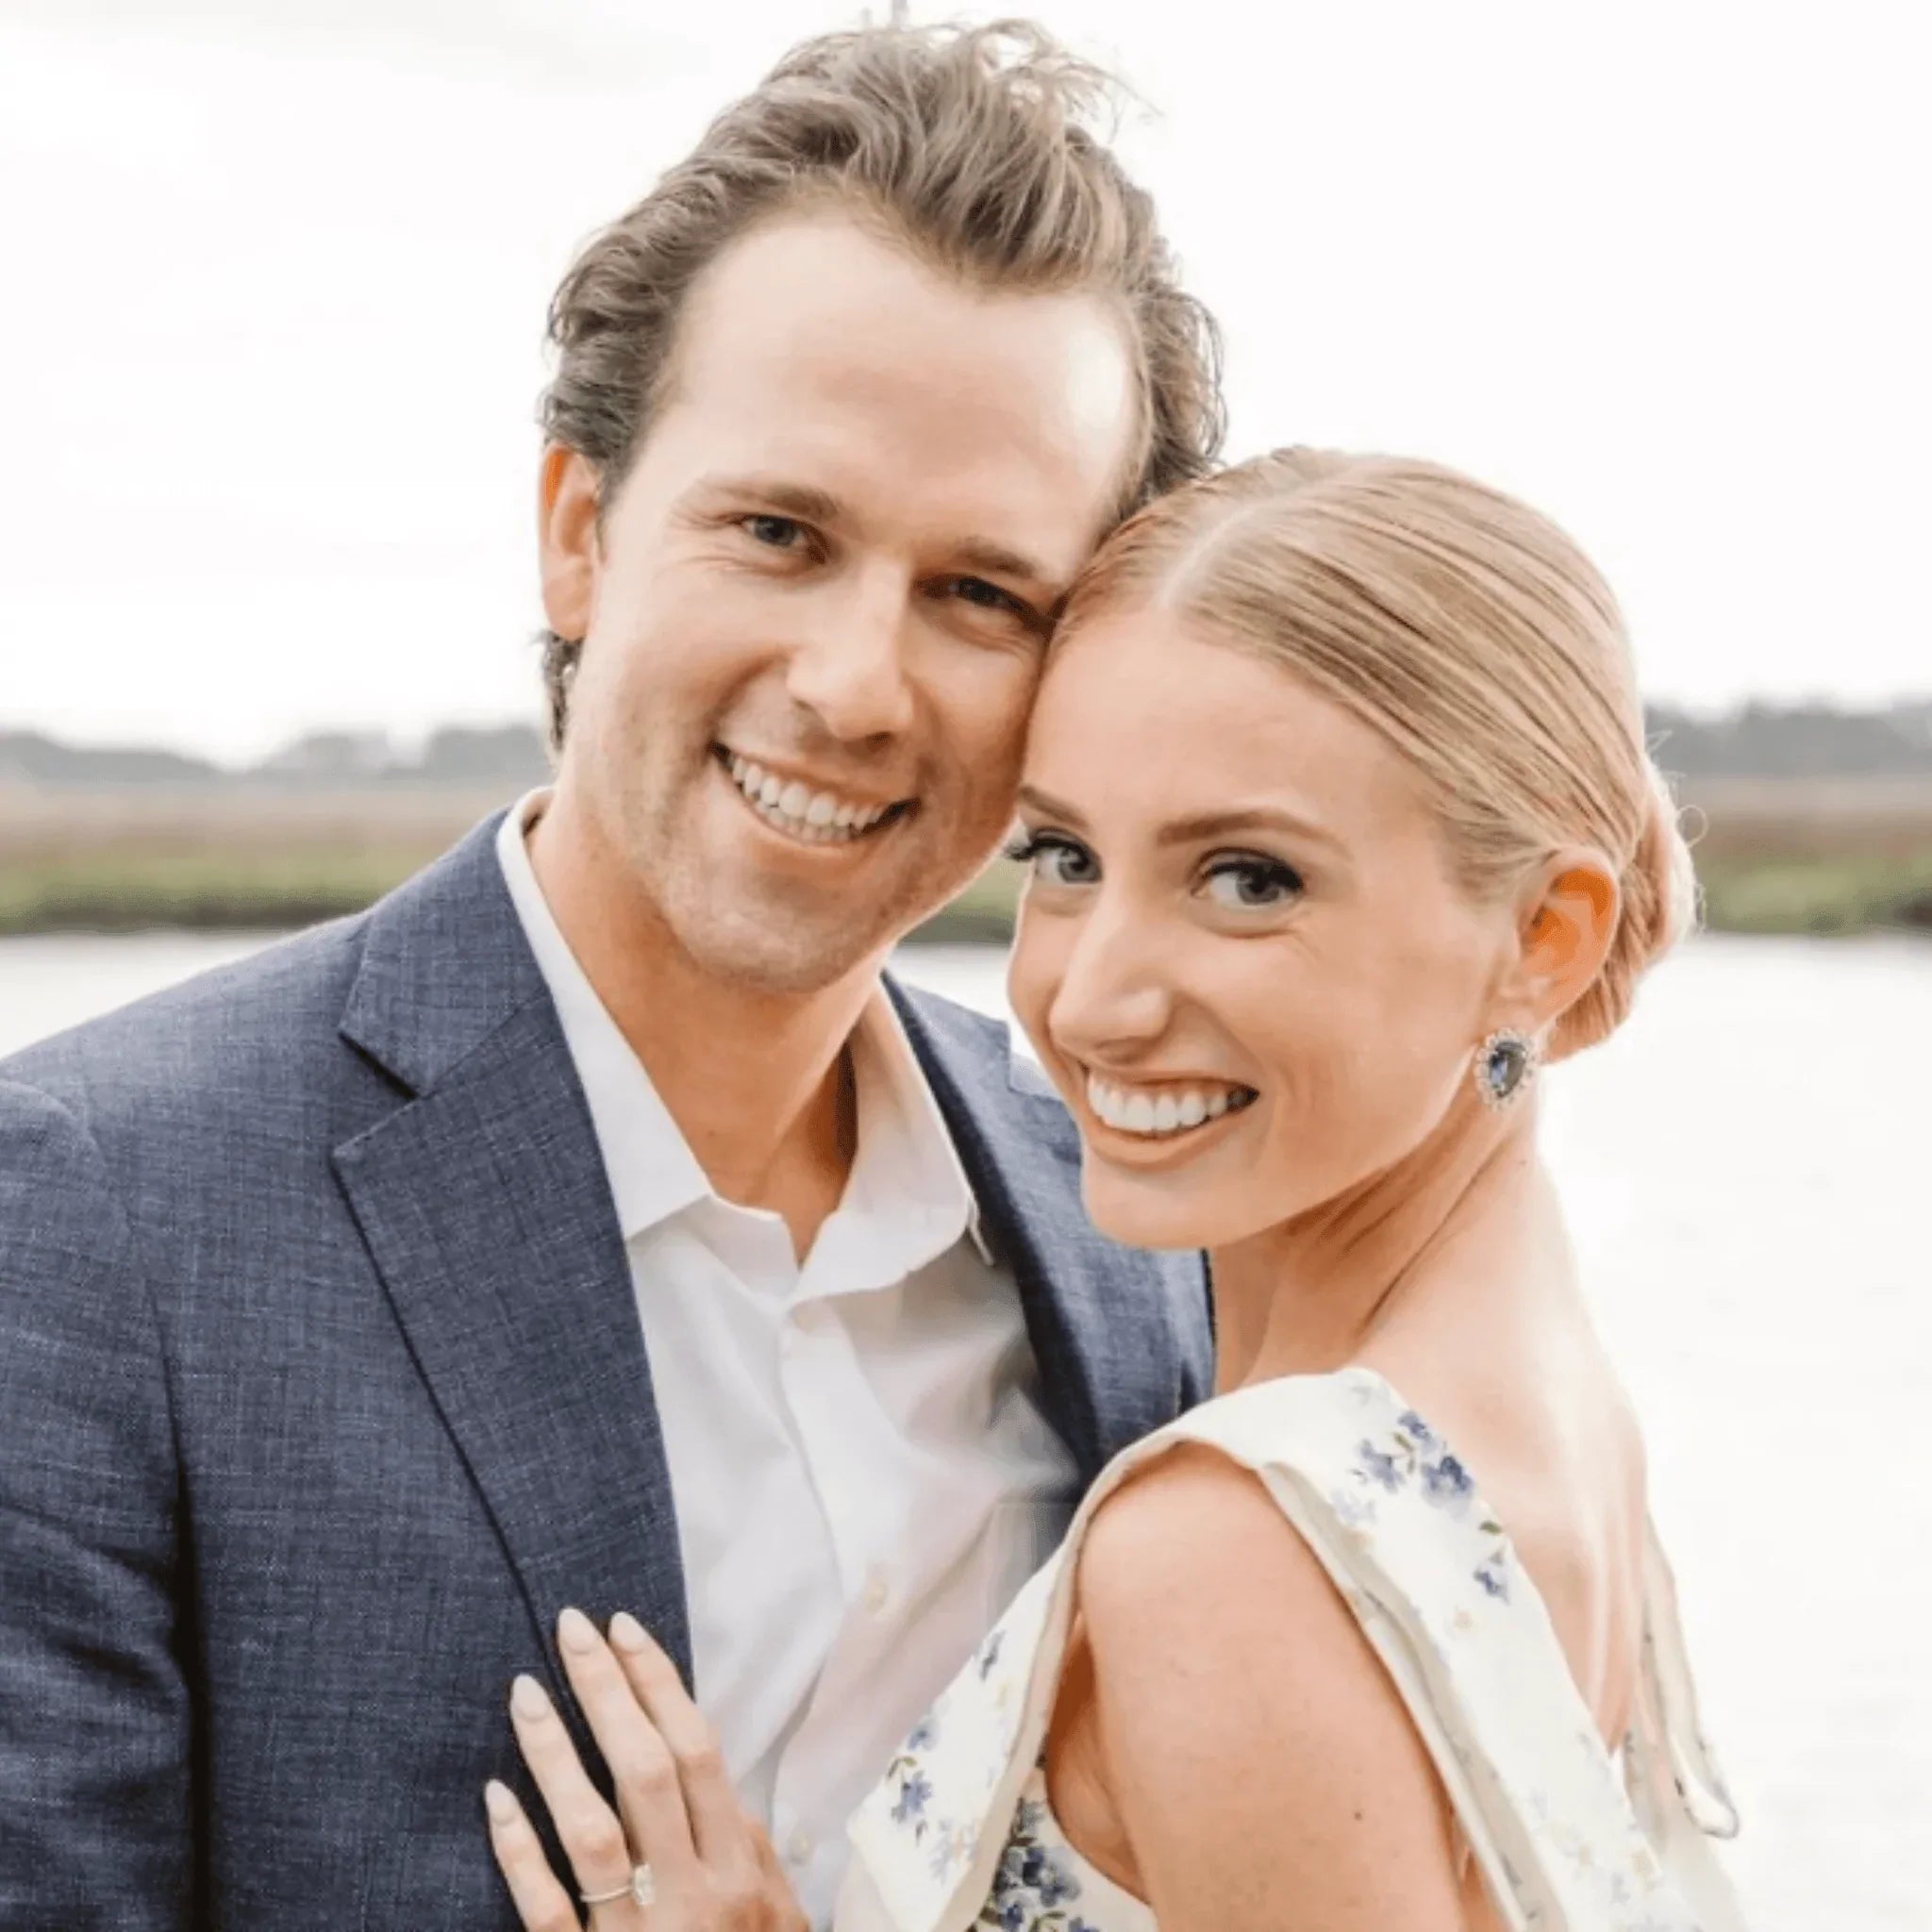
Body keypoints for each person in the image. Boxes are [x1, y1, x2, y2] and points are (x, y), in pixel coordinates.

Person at [0, 25, 1225, 1930]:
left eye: (983, 593)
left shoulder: (1141, 1230)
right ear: (579, 533)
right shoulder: (100, 1215)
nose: (854, 686)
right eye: (779, 533)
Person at [484, 451, 1749, 1931]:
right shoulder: (1563, 1432)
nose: (1089, 1001)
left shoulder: (1234, 1555)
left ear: (1543, 936)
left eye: (1249, 880)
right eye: (1065, 857)